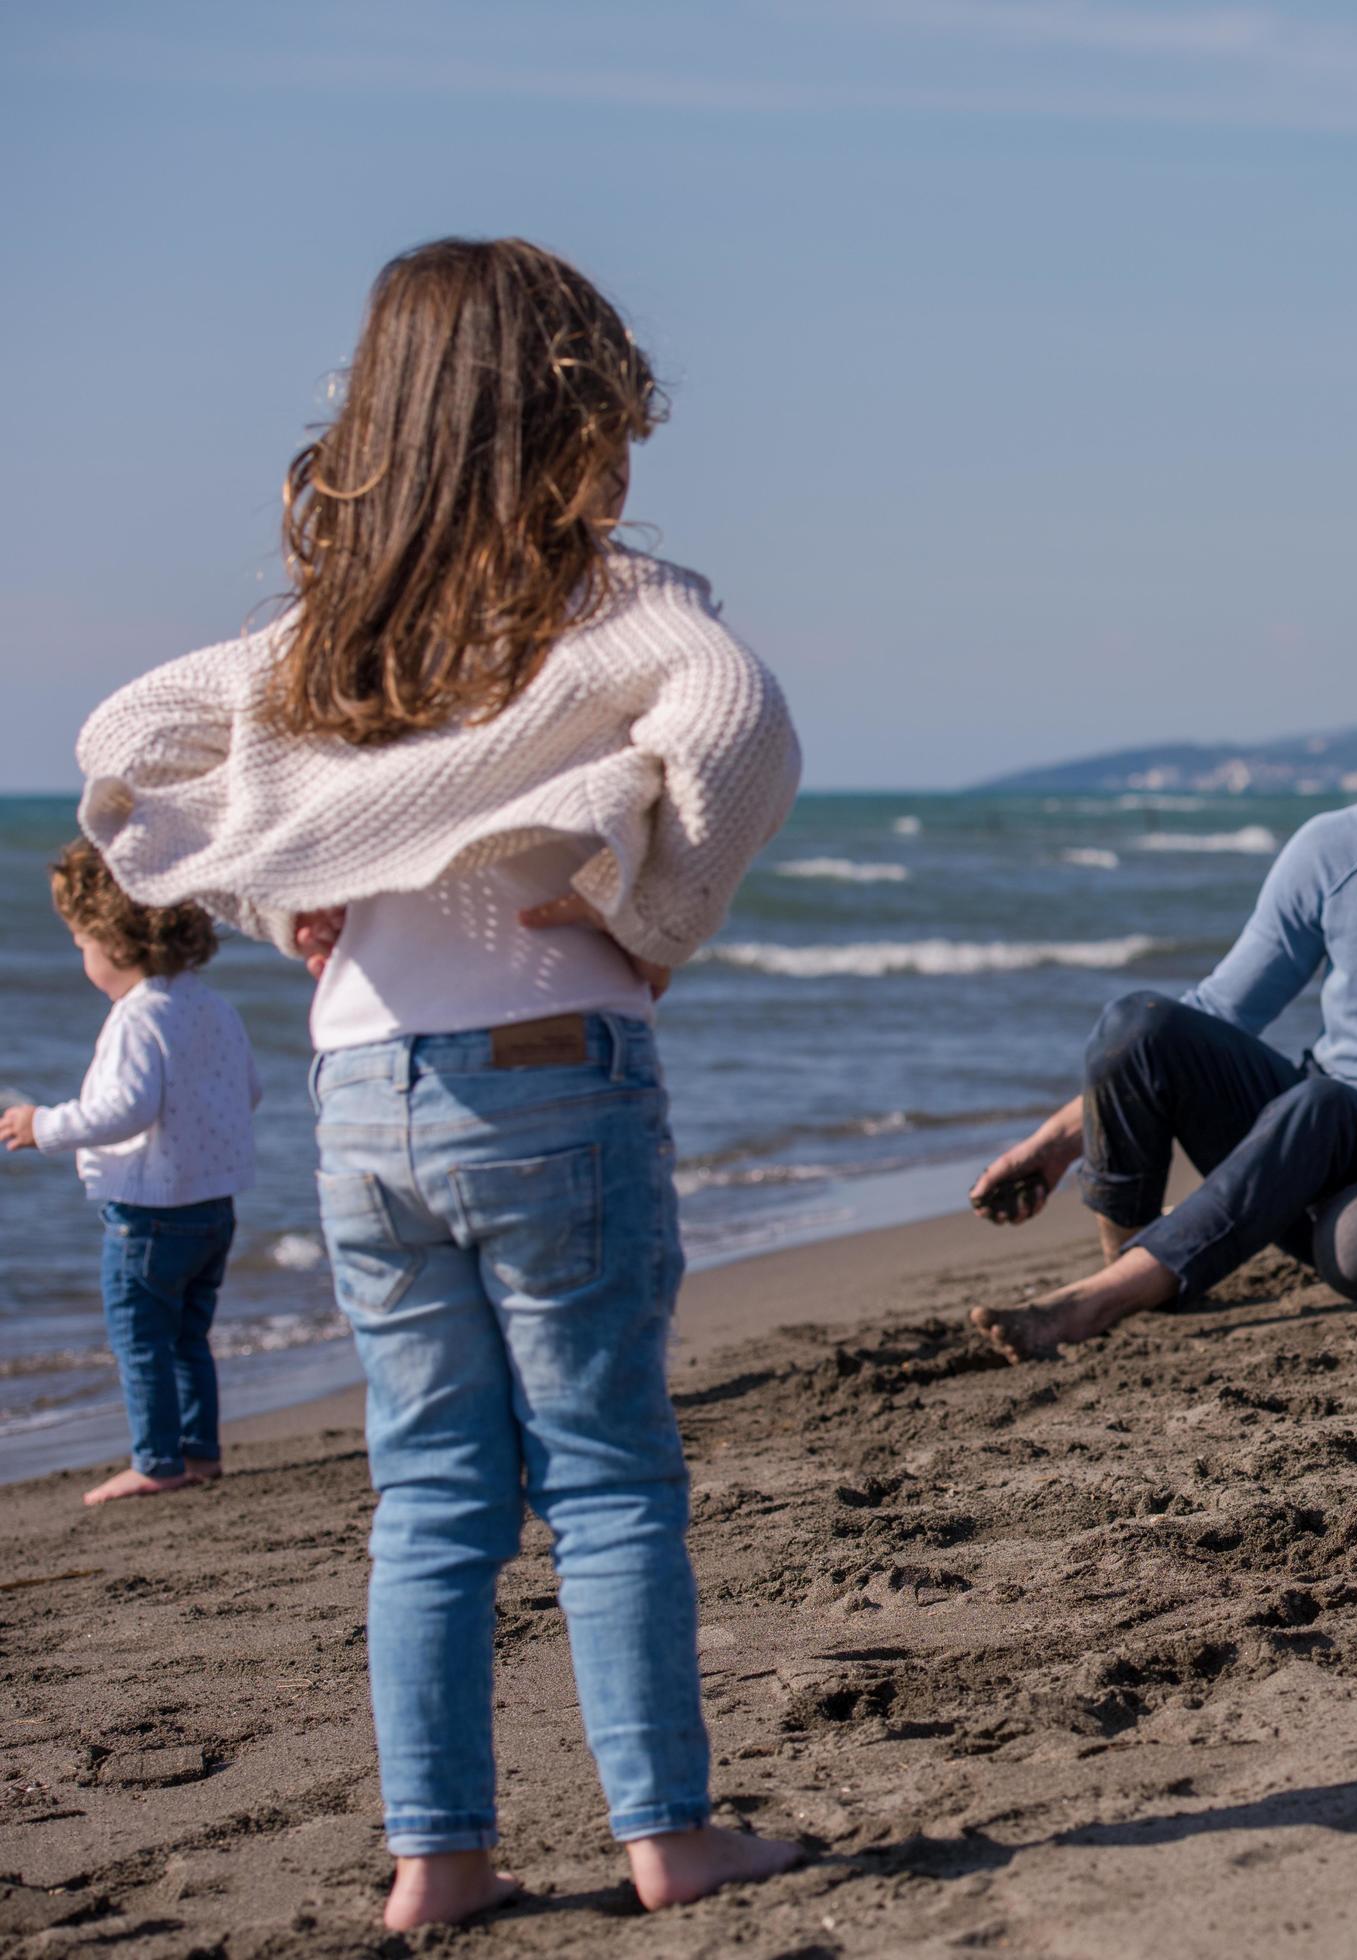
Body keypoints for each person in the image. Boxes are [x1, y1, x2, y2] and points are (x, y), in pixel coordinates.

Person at [69, 238, 801, 1930]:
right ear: (576, 412)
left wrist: (278, 899)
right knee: (605, 1469)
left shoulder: (323, 640)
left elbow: (120, 746)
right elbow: (744, 728)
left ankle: (438, 1864)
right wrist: (651, 909)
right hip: (553, 1067)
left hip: (361, 1098)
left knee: (433, 1488)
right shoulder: (613, 600)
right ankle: (669, 1836)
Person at [966, 614, 1357, 1359]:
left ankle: (1099, 1304)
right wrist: (1063, 1141)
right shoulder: (1337, 847)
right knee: (1140, 1025)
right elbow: (1222, 1011)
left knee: (1319, 1103)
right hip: (1303, 1158)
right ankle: (1128, 1260)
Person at [3, 842, 261, 1507]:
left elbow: (124, 1109)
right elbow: (250, 1088)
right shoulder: (210, 1005)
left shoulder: (139, 1015)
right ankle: (199, 1452)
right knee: (187, 1336)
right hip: (214, 1206)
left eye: (81, 940)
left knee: (141, 1339)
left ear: (118, 943)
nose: (80, 955)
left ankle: (156, 1461)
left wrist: (44, 1126)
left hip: (149, 1214)